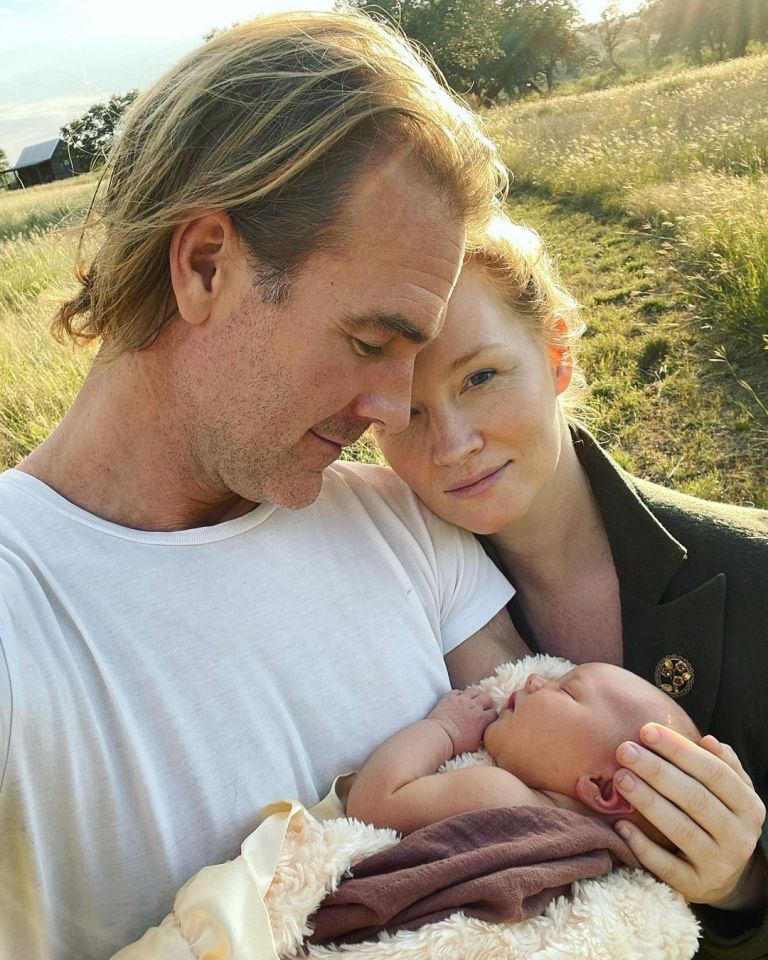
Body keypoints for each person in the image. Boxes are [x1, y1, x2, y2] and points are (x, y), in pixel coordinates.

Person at [0, 13, 529, 959]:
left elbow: (564, 800)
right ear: (206, 265)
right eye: (371, 342)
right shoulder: (19, 612)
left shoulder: (400, 524)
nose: (394, 408)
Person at [375, 214, 768, 959]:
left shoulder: (756, 582)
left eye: (481, 377)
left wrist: (744, 885)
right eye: (407, 413)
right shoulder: (402, 590)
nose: (452, 444)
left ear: (556, 352)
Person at [348, 662, 701, 844]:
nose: (534, 679)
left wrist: (445, 730)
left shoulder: (503, 797)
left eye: (566, 691)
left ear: (603, 788)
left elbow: (372, 804)